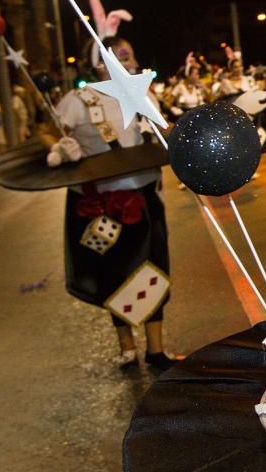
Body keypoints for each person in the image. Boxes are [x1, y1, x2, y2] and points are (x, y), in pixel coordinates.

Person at [53, 36, 176, 372]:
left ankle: (156, 349)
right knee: (114, 274)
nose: (130, 60)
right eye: (121, 55)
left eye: (130, 54)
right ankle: (126, 349)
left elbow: (164, 136)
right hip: (102, 203)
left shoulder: (143, 95)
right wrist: (62, 148)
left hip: (145, 194)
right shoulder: (77, 101)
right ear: (99, 64)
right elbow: (48, 133)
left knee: (153, 268)